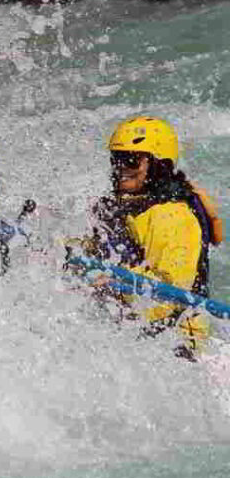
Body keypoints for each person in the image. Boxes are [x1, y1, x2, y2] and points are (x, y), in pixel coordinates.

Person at [75, 115, 222, 359]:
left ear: (158, 164)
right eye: (117, 159)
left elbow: (171, 291)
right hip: (129, 329)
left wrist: (114, 285)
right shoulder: (124, 206)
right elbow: (93, 249)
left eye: (131, 160)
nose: (121, 168)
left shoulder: (172, 215)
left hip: (175, 342)